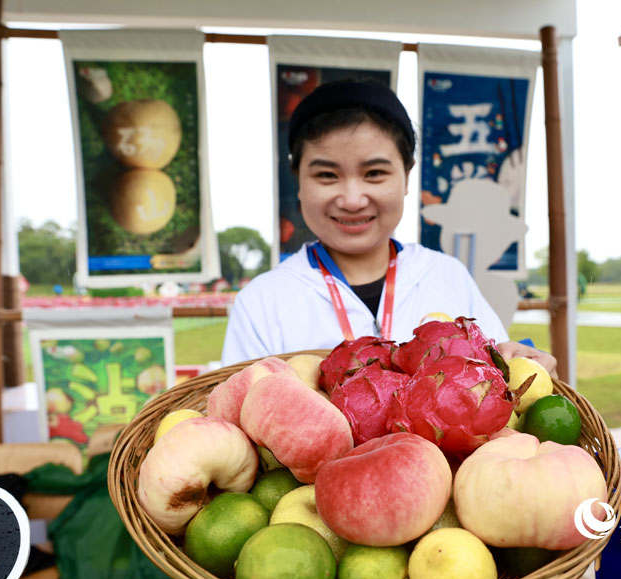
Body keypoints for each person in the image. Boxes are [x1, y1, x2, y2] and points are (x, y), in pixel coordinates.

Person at [221, 79, 556, 376]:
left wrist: (526, 366)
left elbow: (502, 388)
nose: (352, 200)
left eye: (374, 173)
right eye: (326, 175)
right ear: (299, 183)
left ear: (407, 176)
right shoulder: (262, 303)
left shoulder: (447, 278)